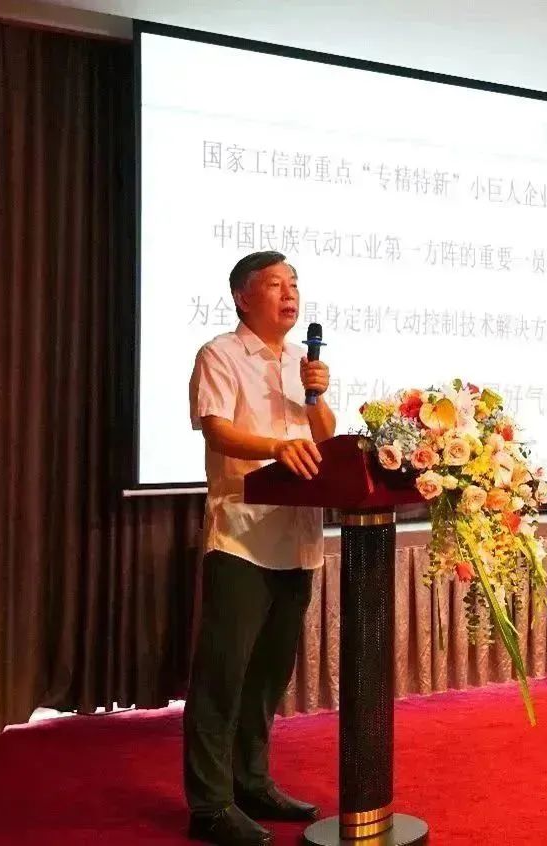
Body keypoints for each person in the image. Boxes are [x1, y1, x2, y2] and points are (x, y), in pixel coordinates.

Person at [184, 251, 333, 846]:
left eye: (294, 284)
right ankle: (209, 806)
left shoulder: (303, 363)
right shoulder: (219, 354)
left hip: (297, 539)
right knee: (223, 676)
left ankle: (251, 781)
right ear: (243, 297)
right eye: (275, 284)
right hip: (242, 538)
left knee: (269, 676)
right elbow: (217, 429)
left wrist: (317, 398)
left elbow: (328, 440)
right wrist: (275, 448)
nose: (289, 293)